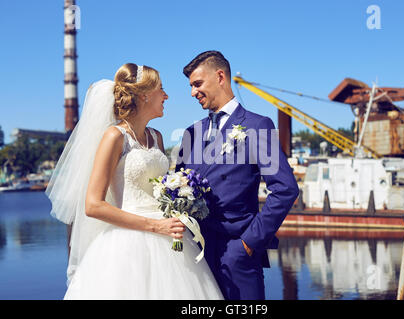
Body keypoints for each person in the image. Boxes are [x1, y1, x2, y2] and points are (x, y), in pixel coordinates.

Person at [46, 63, 223, 300]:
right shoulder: (114, 137)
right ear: (144, 95)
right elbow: (93, 205)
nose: (166, 96)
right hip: (127, 244)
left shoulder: (156, 137)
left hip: (171, 240)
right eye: (162, 89)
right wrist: (155, 226)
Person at [176, 51, 299, 300]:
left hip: (237, 255)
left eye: (197, 84)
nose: (192, 92)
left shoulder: (257, 125)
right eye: (190, 86)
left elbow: (285, 189)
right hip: (193, 256)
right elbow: (179, 185)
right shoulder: (191, 132)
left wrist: (248, 243)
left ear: (220, 76)